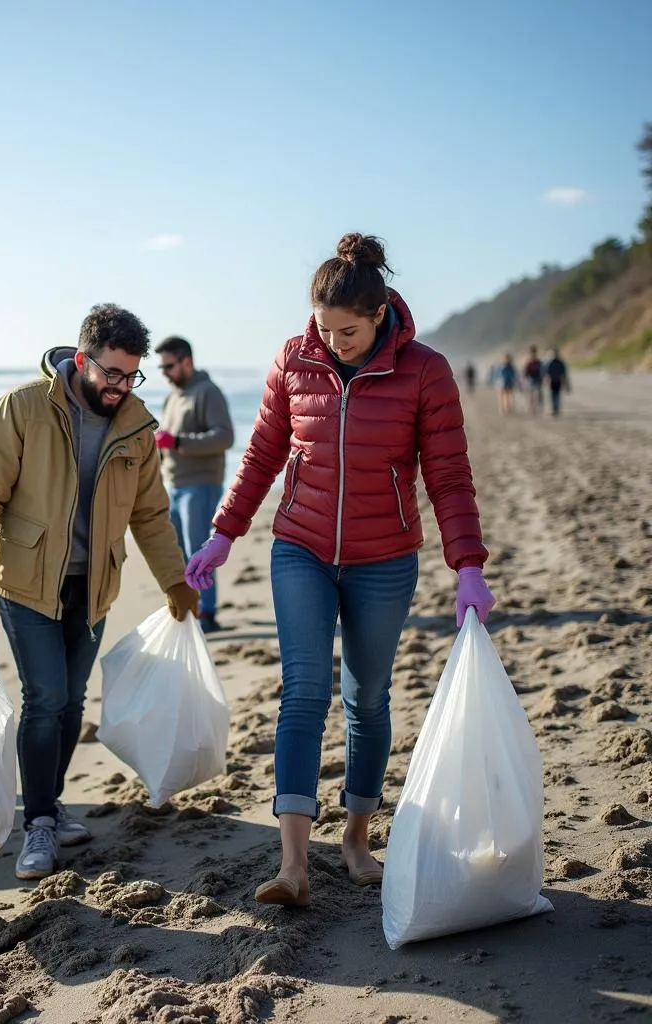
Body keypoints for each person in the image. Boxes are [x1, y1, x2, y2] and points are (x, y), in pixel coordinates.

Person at [185, 234, 494, 907]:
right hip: (299, 547)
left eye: (347, 330)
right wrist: (221, 535)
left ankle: (356, 837)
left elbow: (447, 475)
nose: (333, 341)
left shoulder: (426, 371)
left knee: (368, 697)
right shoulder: (295, 359)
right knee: (301, 691)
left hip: (385, 558)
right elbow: (263, 455)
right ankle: (293, 863)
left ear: (380, 314)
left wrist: (466, 564)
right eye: (323, 328)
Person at [0, 303, 200, 881]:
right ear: (82, 360)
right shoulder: (25, 409)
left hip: (94, 583)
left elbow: (151, 514)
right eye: (111, 373)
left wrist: (174, 580)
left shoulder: (135, 423)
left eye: (131, 374)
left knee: (72, 702)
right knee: (46, 698)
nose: (120, 386)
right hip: (28, 582)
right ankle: (37, 822)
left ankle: (50, 803)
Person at [153, 336, 235, 634]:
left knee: (199, 552)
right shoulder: (172, 397)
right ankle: (192, 609)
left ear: (187, 361)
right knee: (178, 554)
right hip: (173, 485)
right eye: (161, 367)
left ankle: (208, 614)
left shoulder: (208, 392)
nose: (165, 372)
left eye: (169, 366)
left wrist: (177, 442)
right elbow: (166, 443)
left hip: (201, 485)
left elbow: (224, 437)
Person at [545, 348, 571, 416]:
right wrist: (547, 381)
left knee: (556, 396)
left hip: (558, 381)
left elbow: (564, 374)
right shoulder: (550, 363)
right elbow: (547, 373)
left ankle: (556, 409)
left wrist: (566, 383)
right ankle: (554, 409)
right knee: (553, 396)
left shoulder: (560, 363)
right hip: (552, 381)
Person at [522, 345, 544, 414]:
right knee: (531, 395)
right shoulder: (529, 361)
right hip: (531, 379)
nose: (533, 354)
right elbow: (524, 371)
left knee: (537, 394)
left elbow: (542, 370)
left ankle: (537, 407)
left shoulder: (538, 361)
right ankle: (532, 408)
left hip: (536, 379)